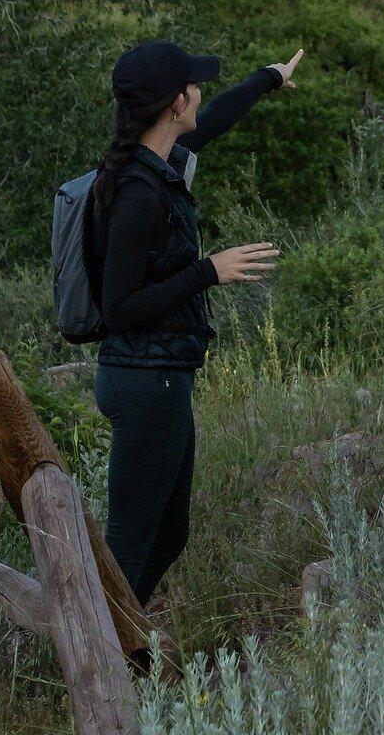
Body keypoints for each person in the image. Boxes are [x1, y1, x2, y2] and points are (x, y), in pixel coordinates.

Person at [91, 38, 299, 609]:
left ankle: (115, 638)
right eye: (194, 86)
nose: (201, 94)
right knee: (132, 545)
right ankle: (97, 649)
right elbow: (119, 308)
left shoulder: (154, 162)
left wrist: (268, 78)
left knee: (167, 533)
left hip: (158, 375)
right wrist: (210, 271)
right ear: (176, 102)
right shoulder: (139, 192)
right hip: (144, 381)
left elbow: (215, 122)